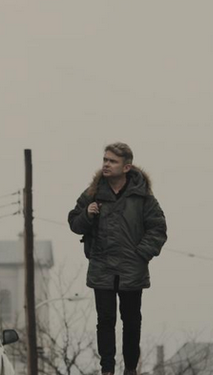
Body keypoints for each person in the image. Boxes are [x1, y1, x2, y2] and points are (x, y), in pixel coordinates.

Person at [68, 143, 167, 375]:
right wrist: (87, 214)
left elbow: (158, 229)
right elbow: (74, 223)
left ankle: (130, 369)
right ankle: (107, 370)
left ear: (126, 167)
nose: (106, 164)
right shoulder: (92, 193)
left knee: (131, 322)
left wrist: (141, 255)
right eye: (105, 159)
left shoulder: (143, 197)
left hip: (131, 271)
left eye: (112, 161)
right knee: (105, 321)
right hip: (102, 268)